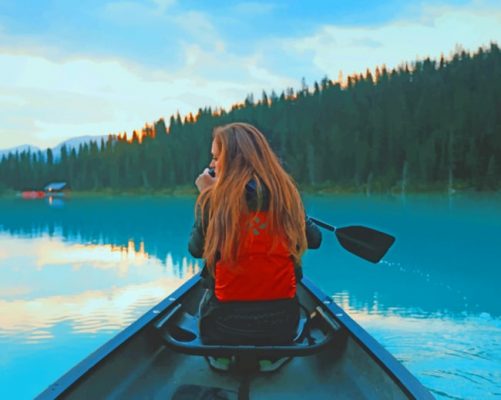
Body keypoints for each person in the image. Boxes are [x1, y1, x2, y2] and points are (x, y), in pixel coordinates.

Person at [188, 122, 321, 347]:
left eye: (216, 157)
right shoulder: (285, 195)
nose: (211, 165)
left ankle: (222, 357)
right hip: (281, 327)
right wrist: (298, 213)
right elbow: (314, 240)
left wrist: (209, 196)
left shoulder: (214, 201)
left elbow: (196, 249)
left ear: (232, 161)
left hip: (222, 327)